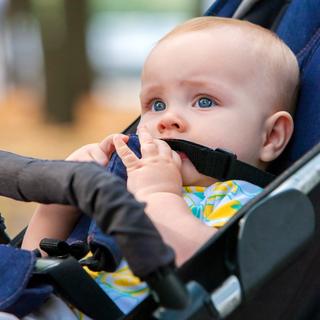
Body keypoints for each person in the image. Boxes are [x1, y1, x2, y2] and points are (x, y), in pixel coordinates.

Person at [22, 16, 299, 316]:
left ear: (271, 136)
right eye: (156, 104)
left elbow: (209, 276)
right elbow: (31, 268)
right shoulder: (124, 182)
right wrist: (63, 198)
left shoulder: (244, 202)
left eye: (204, 101)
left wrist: (158, 196)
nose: (167, 119)